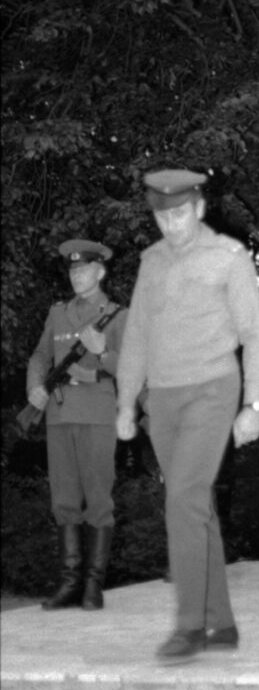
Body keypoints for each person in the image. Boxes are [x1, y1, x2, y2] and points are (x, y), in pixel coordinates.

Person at [116, 169, 259, 663]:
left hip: (213, 389)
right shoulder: (151, 262)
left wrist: (253, 404)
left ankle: (189, 626)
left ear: (200, 209)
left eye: (181, 213)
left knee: (183, 498)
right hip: (163, 399)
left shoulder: (229, 257)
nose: (173, 224)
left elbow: (254, 336)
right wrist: (125, 401)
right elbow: (137, 336)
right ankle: (221, 622)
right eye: (163, 217)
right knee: (195, 504)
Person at [25, 239, 127, 610]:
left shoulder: (117, 315)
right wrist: (35, 387)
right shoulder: (58, 313)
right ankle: (69, 584)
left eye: (83, 269)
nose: (76, 275)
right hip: (59, 414)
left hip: (97, 415)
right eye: (72, 269)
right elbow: (40, 355)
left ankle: (93, 587)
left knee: (98, 498)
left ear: (100, 271)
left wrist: (102, 352)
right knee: (63, 500)